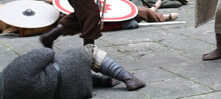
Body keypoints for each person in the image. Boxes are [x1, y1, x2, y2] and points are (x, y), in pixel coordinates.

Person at [0, 45, 146, 98]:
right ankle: (128, 78)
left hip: (78, 92)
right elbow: (46, 53)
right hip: (72, 71)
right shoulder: (11, 73)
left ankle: (103, 80)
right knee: (90, 51)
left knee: (55, 75)